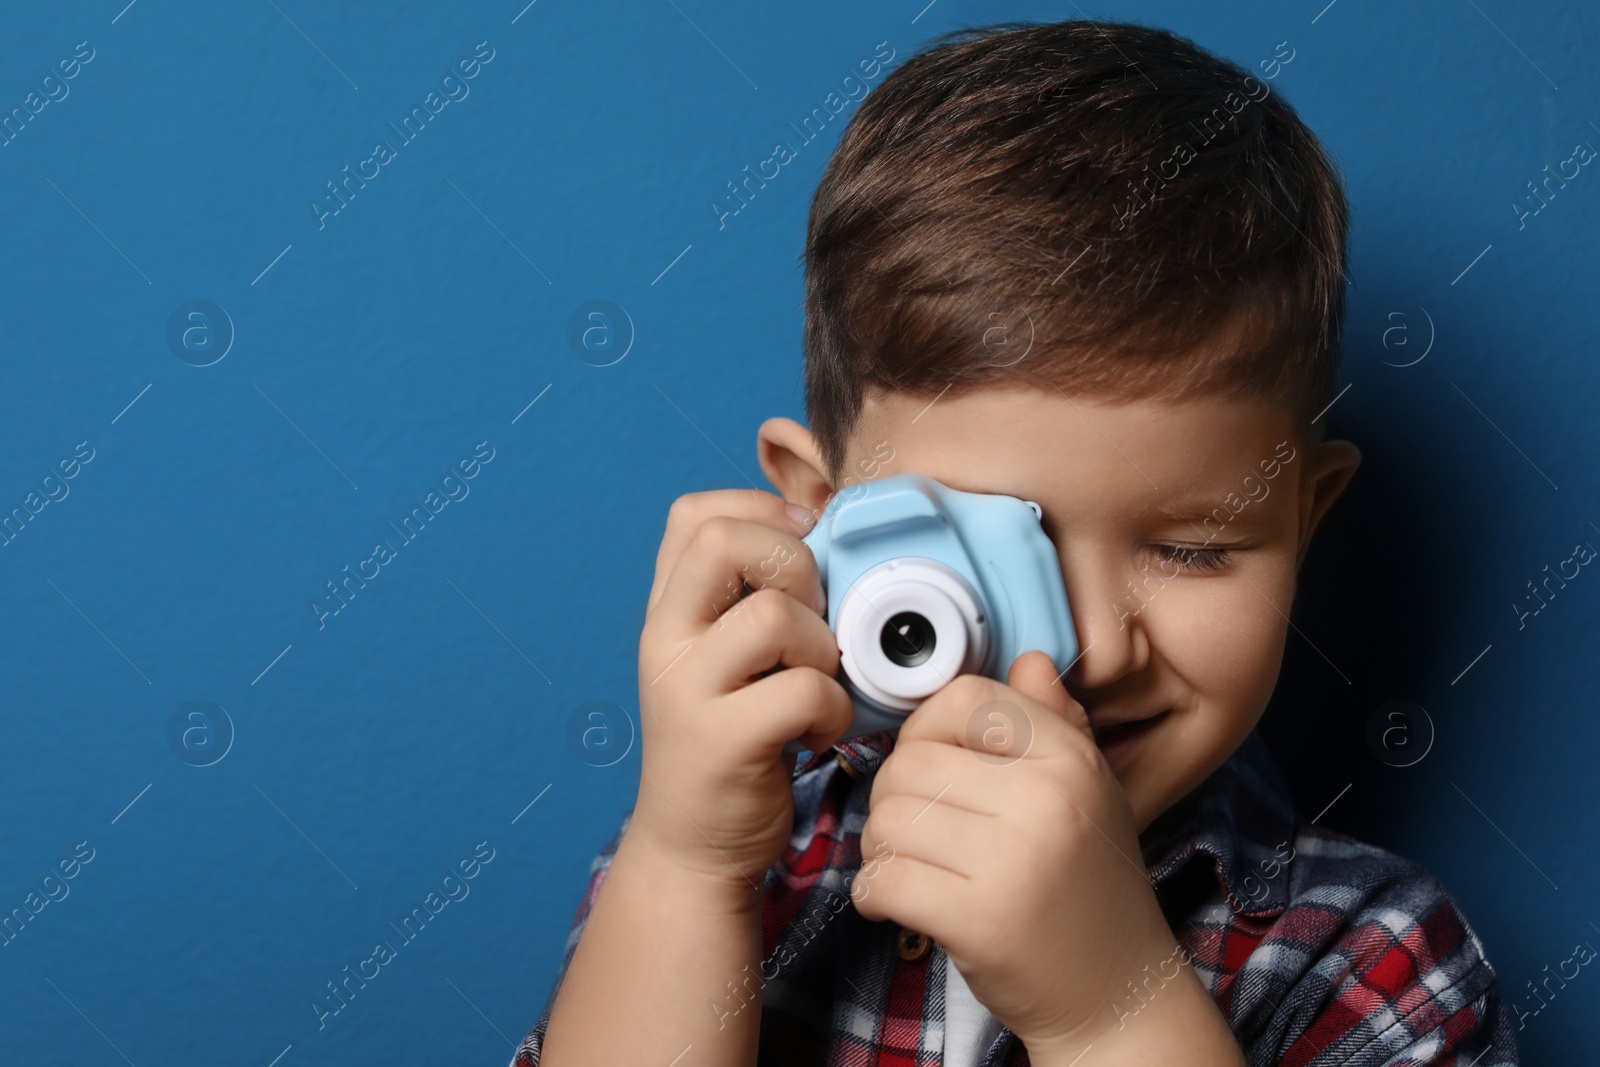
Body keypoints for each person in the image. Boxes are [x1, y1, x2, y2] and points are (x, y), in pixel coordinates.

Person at [513, 18, 1520, 1066]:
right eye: (996, 553)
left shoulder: (1373, 959)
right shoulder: (729, 857)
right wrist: (683, 864)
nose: (1089, 647)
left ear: (1301, 523)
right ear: (817, 518)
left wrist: (1109, 1011)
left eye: (1192, 549)